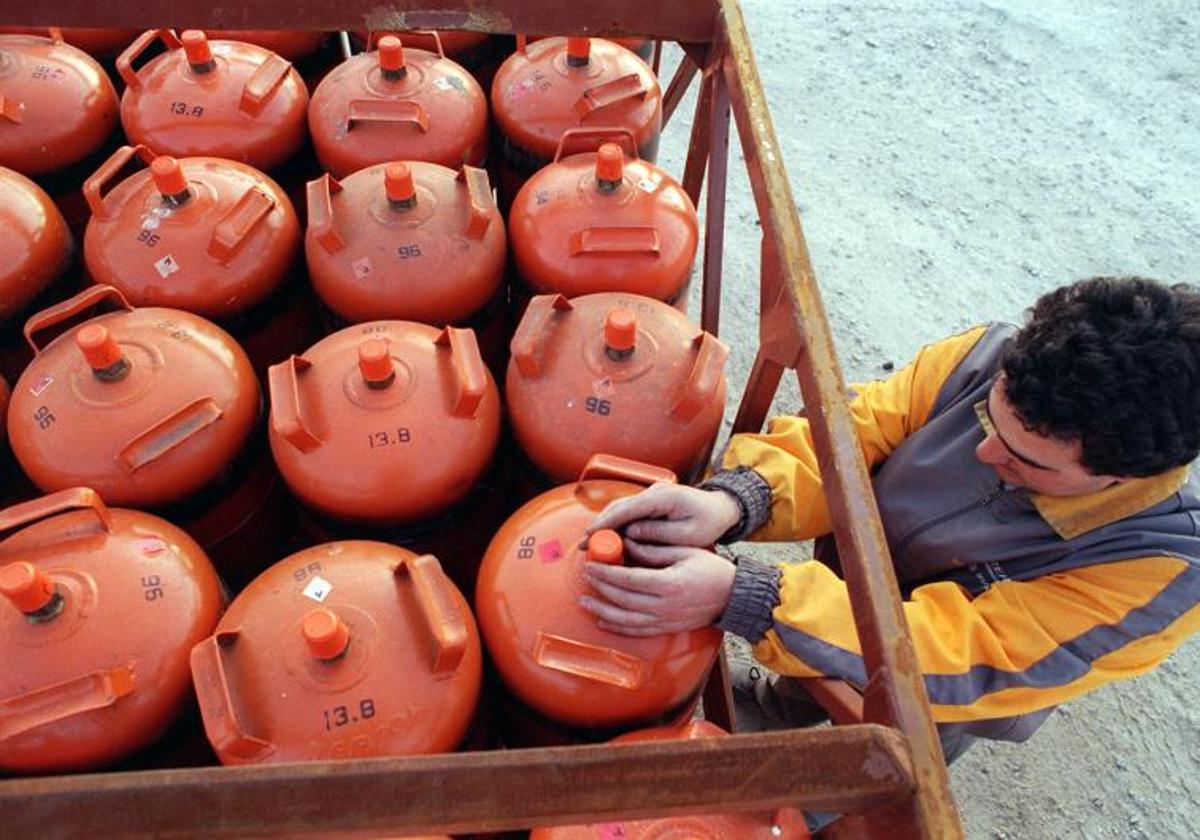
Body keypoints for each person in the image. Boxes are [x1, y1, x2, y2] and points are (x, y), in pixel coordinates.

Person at [578, 276, 1200, 760]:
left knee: (881, 754)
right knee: (808, 666)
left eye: (1023, 460)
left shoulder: (1162, 571)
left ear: (1120, 477)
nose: (983, 453)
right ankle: (781, 702)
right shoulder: (982, 361)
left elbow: (968, 655)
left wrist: (750, 597)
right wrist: (737, 499)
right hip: (848, 582)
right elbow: (854, 432)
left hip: (939, 694)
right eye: (988, 419)